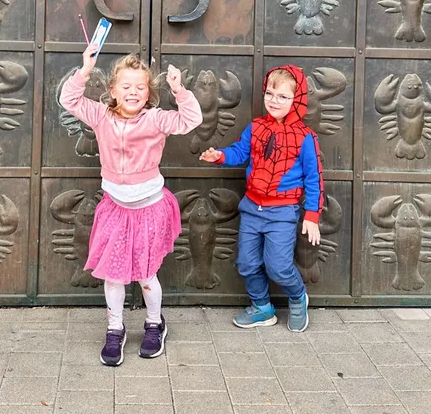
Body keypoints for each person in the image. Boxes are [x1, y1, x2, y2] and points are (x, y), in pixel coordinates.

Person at [59, 44, 202, 364]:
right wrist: (84, 71)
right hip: (115, 208)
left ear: (149, 92)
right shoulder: (100, 115)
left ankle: (154, 324)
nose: (133, 92)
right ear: (112, 90)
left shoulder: (156, 119)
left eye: (140, 87)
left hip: (150, 208)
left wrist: (179, 90)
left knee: (147, 275)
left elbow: (191, 119)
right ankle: (115, 329)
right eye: (126, 86)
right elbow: (68, 100)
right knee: (113, 275)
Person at [199, 64, 324, 332]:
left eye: (283, 96)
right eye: (270, 94)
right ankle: (262, 308)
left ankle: (298, 297)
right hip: (252, 209)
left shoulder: (305, 137)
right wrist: (219, 156)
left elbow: (314, 179)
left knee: (278, 266)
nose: (274, 101)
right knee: (247, 263)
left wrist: (312, 216)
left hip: (283, 213)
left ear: (297, 99)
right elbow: (239, 152)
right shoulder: (256, 127)